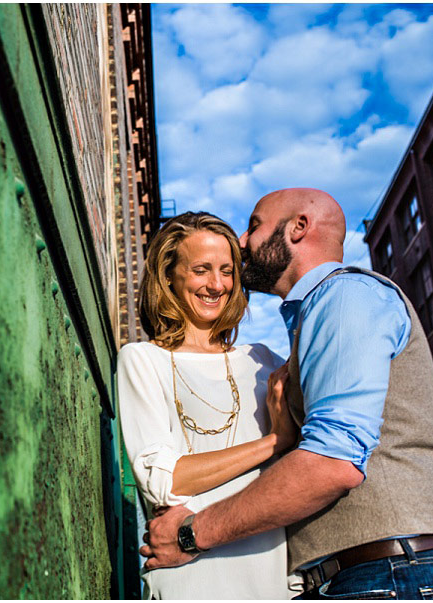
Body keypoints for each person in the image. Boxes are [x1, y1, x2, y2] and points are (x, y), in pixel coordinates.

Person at [141, 188, 433, 599]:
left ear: (298, 228)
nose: (241, 243)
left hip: (394, 575)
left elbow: (331, 463)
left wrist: (191, 535)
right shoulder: (316, 318)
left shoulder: (345, 298)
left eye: (254, 226)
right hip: (370, 575)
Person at [118, 212, 298, 599]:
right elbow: (164, 481)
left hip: (271, 582)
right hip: (188, 581)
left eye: (227, 270)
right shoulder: (141, 360)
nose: (217, 285)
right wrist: (272, 443)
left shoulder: (263, 361)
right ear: (169, 276)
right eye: (201, 270)